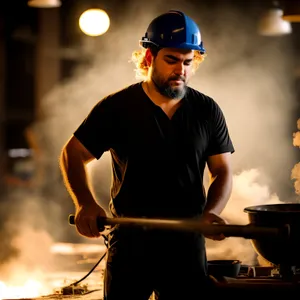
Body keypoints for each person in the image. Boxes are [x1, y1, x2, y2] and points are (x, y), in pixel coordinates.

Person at [59, 9, 235, 300]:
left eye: (188, 62)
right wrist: (85, 204)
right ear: (149, 57)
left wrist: (212, 211)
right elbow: (73, 153)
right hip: (129, 242)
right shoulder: (117, 107)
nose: (181, 70)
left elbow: (222, 171)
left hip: (186, 244)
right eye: (172, 60)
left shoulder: (207, 110)